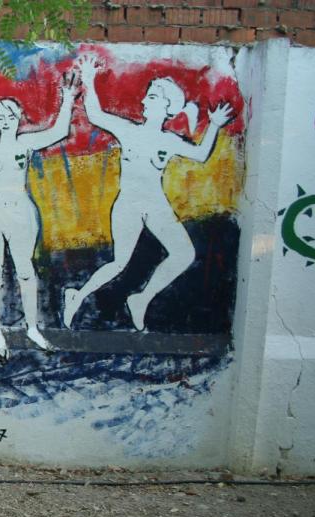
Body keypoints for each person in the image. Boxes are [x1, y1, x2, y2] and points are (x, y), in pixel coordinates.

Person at [63, 55, 233, 331]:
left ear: (167, 106)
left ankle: (141, 298)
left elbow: (201, 155)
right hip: (128, 204)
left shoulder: (169, 140)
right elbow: (94, 114)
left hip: (156, 205)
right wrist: (90, 79)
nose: (143, 101)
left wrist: (213, 124)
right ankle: (77, 296)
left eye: (151, 97)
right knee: (119, 262)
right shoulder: (130, 131)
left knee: (183, 254)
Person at [0, 73, 78, 360]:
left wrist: (69, 98)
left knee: (26, 271)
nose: (5, 117)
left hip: (21, 213)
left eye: (10, 113)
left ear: (19, 117)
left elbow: (59, 131)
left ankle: (33, 328)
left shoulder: (26, 143)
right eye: (0, 114)